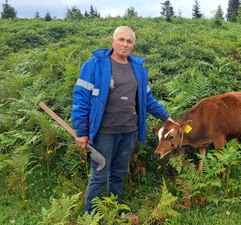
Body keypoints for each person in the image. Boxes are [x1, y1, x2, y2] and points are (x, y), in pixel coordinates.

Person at [71, 26, 173, 213]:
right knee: (99, 174)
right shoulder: (93, 65)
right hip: (104, 133)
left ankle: (114, 210)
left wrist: (166, 117)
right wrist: (82, 131)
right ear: (113, 41)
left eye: (129, 41)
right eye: (121, 39)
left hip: (129, 132)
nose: (125, 44)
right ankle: (90, 216)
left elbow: (147, 99)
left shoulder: (138, 70)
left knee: (119, 173)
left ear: (133, 45)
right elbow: (81, 100)